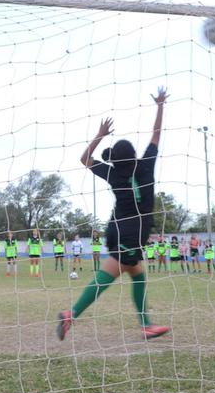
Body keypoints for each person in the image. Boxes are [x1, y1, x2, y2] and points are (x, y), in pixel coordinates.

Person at [57, 87, 171, 341]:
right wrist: (160, 105)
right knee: (111, 275)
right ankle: (71, 314)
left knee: (138, 273)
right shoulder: (146, 165)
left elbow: (84, 158)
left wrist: (99, 135)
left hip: (120, 230)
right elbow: (156, 135)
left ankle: (146, 325)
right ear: (133, 154)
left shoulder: (113, 172)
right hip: (129, 234)